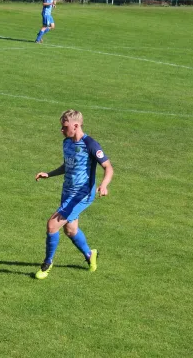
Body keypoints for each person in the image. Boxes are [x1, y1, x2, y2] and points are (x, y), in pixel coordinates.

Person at [34, 110, 114, 279]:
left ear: (76, 125)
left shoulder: (91, 144)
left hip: (81, 195)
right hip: (67, 192)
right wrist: (49, 174)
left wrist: (104, 185)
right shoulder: (67, 143)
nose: (61, 131)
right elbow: (67, 166)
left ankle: (47, 263)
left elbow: (108, 167)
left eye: (64, 127)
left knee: (52, 225)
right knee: (70, 230)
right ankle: (89, 255)